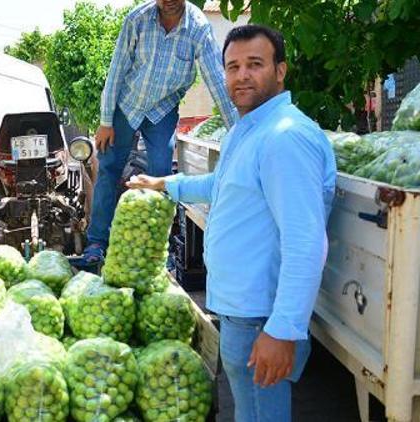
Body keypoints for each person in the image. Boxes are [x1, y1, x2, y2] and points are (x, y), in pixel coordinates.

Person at [127, 24, 337, 421]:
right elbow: (221, 185)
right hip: (243, 312)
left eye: (255, 64)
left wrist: (282, 329)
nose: (241, 76)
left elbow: (306, 242)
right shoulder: (250, 129)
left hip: (261, 316)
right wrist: (164, 184)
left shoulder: (284, 137)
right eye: (233, 66)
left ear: (280, 71)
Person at [83, 0, 238, 263]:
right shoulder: (137, 20)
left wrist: (240, 132)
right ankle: (97, 241)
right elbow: (116, 71)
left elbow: (216, 81)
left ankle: (156, 245)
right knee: (109, 167)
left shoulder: (198, 27)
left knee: (161, 172)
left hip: (162, 110)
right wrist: (106, 120)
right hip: (127, 105)